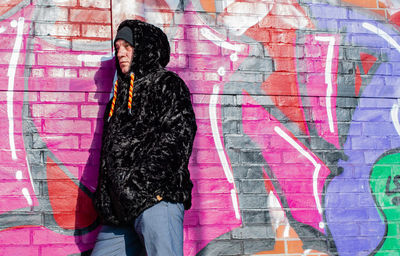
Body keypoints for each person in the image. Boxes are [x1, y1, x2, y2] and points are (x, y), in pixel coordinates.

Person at [91, 20, 197, 256]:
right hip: (120, 211)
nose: (121, 54)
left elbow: (177, 140)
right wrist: (108, 198)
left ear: (145, 48)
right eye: (117, 48)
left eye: (127, 47)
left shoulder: (167, 85)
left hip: (156, 201)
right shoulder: (118, 99)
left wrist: (139, 186)